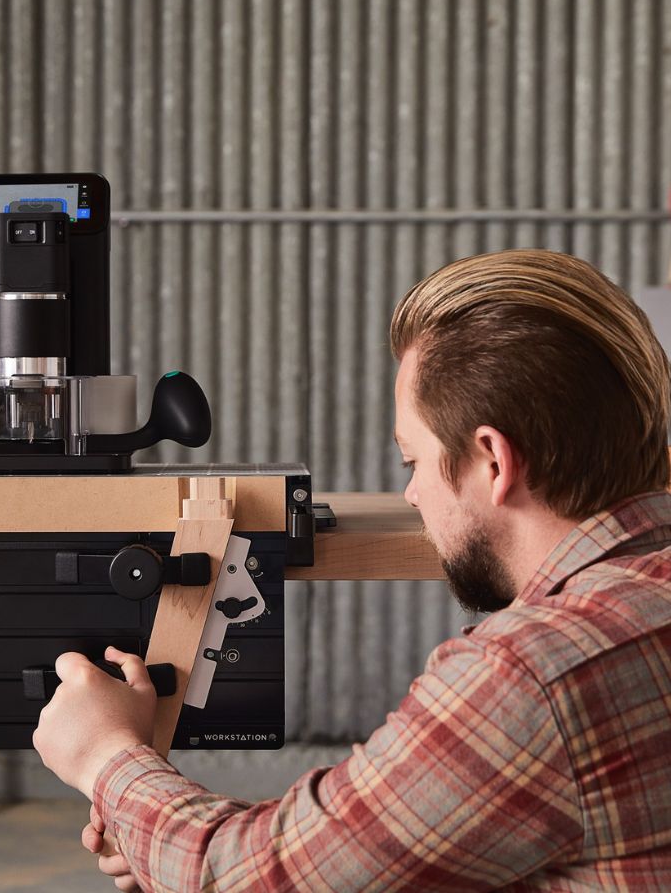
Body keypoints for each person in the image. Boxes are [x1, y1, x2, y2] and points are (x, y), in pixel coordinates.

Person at [33, 249, 671, 891]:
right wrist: (173, 829)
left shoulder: (533, 675)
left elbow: (251, 881)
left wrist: (106, 755)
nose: (412, 496)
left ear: (493, 462)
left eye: (412, 462)